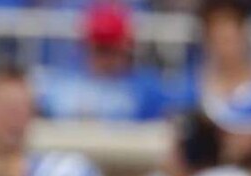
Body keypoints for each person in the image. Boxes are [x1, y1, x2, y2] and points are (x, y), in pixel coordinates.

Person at [37, 1, 166, 122]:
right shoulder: (60, 86)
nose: (106, 58)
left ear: (126, 48)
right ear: (86, 46)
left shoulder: (146, 91)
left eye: (112, 49)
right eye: (100, 49)